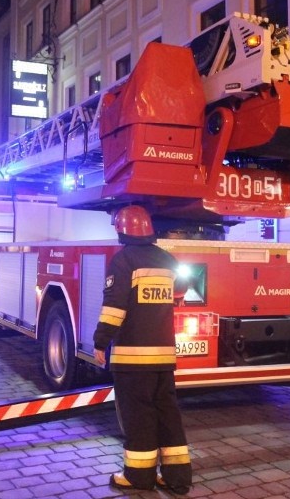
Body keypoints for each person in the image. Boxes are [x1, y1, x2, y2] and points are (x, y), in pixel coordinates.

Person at [93, 205, 191, 494]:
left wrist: (101, 341)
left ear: (122, 230)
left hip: (133, 358)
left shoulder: (123, 261)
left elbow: (114, 308)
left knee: (139, 415)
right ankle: (177, 478)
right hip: (163, 357)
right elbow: (183, 289)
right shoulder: (166, 259)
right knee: (167, 414)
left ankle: (138, 476)